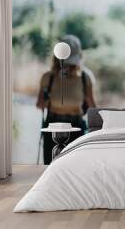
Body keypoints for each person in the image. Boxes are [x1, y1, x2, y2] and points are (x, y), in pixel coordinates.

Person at [36, 34, 96, 165]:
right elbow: (39, 104)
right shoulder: (48, 78)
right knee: (51, 166)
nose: (68, 66)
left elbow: (92, 107)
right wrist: (47, 97)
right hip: (53, 127)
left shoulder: (85, 78)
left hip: (77, 128)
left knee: (76, 166)